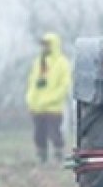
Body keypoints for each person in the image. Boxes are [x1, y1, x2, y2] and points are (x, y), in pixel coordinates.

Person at [24, 32, 72, 163]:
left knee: (54, 133)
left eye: (47, 45)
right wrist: (30, 100)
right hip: (37, 108)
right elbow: (32, 83)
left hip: (53, 108)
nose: (44, 48)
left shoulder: (62, 63)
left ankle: (59, 156)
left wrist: (51, 99)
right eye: (43, 45)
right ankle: (42, 157)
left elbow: (64, 85)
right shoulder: (38, 63)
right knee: (39, 135)